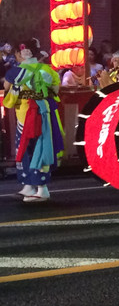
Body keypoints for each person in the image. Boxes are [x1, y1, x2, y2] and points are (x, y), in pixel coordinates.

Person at [3, 58, 63, 203]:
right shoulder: (48, 70)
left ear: (19, 54)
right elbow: (55, 91)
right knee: (40, 149)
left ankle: (41, 189)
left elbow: (9, 99)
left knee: (29, 152)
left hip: (25, 117)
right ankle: (30, 186)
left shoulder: (16, 73)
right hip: (42, 112)